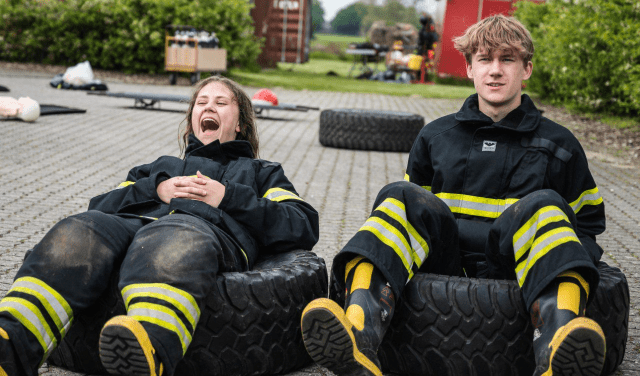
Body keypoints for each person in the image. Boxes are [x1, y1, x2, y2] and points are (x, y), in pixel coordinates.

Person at [301, 14, 606, 376]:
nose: (495, 71)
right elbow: (408, 223)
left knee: (544, 206)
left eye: (507, 59)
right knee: (400, 195)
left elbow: (585, 227)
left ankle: (557, 351)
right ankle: (358, 335)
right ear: (469, 68)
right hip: (442, 263)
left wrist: (554, 276)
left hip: (515, 270)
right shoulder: (435, 137)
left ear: (526, 69)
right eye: (485, 60)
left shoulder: (560, 145)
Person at [0, 76, 319, 376]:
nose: (209, 107)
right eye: (201, 102)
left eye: (221, 103)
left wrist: (227, 196)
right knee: (78, 231)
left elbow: (301, 223)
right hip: (131, 229)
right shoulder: (161, 168)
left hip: (198, 232)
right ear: (192, 118)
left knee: (171, 238)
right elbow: (100, 206)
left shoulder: (261, 172)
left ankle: (149, 350)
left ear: (240, 124)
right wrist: (156, 189)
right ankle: (10, 343)